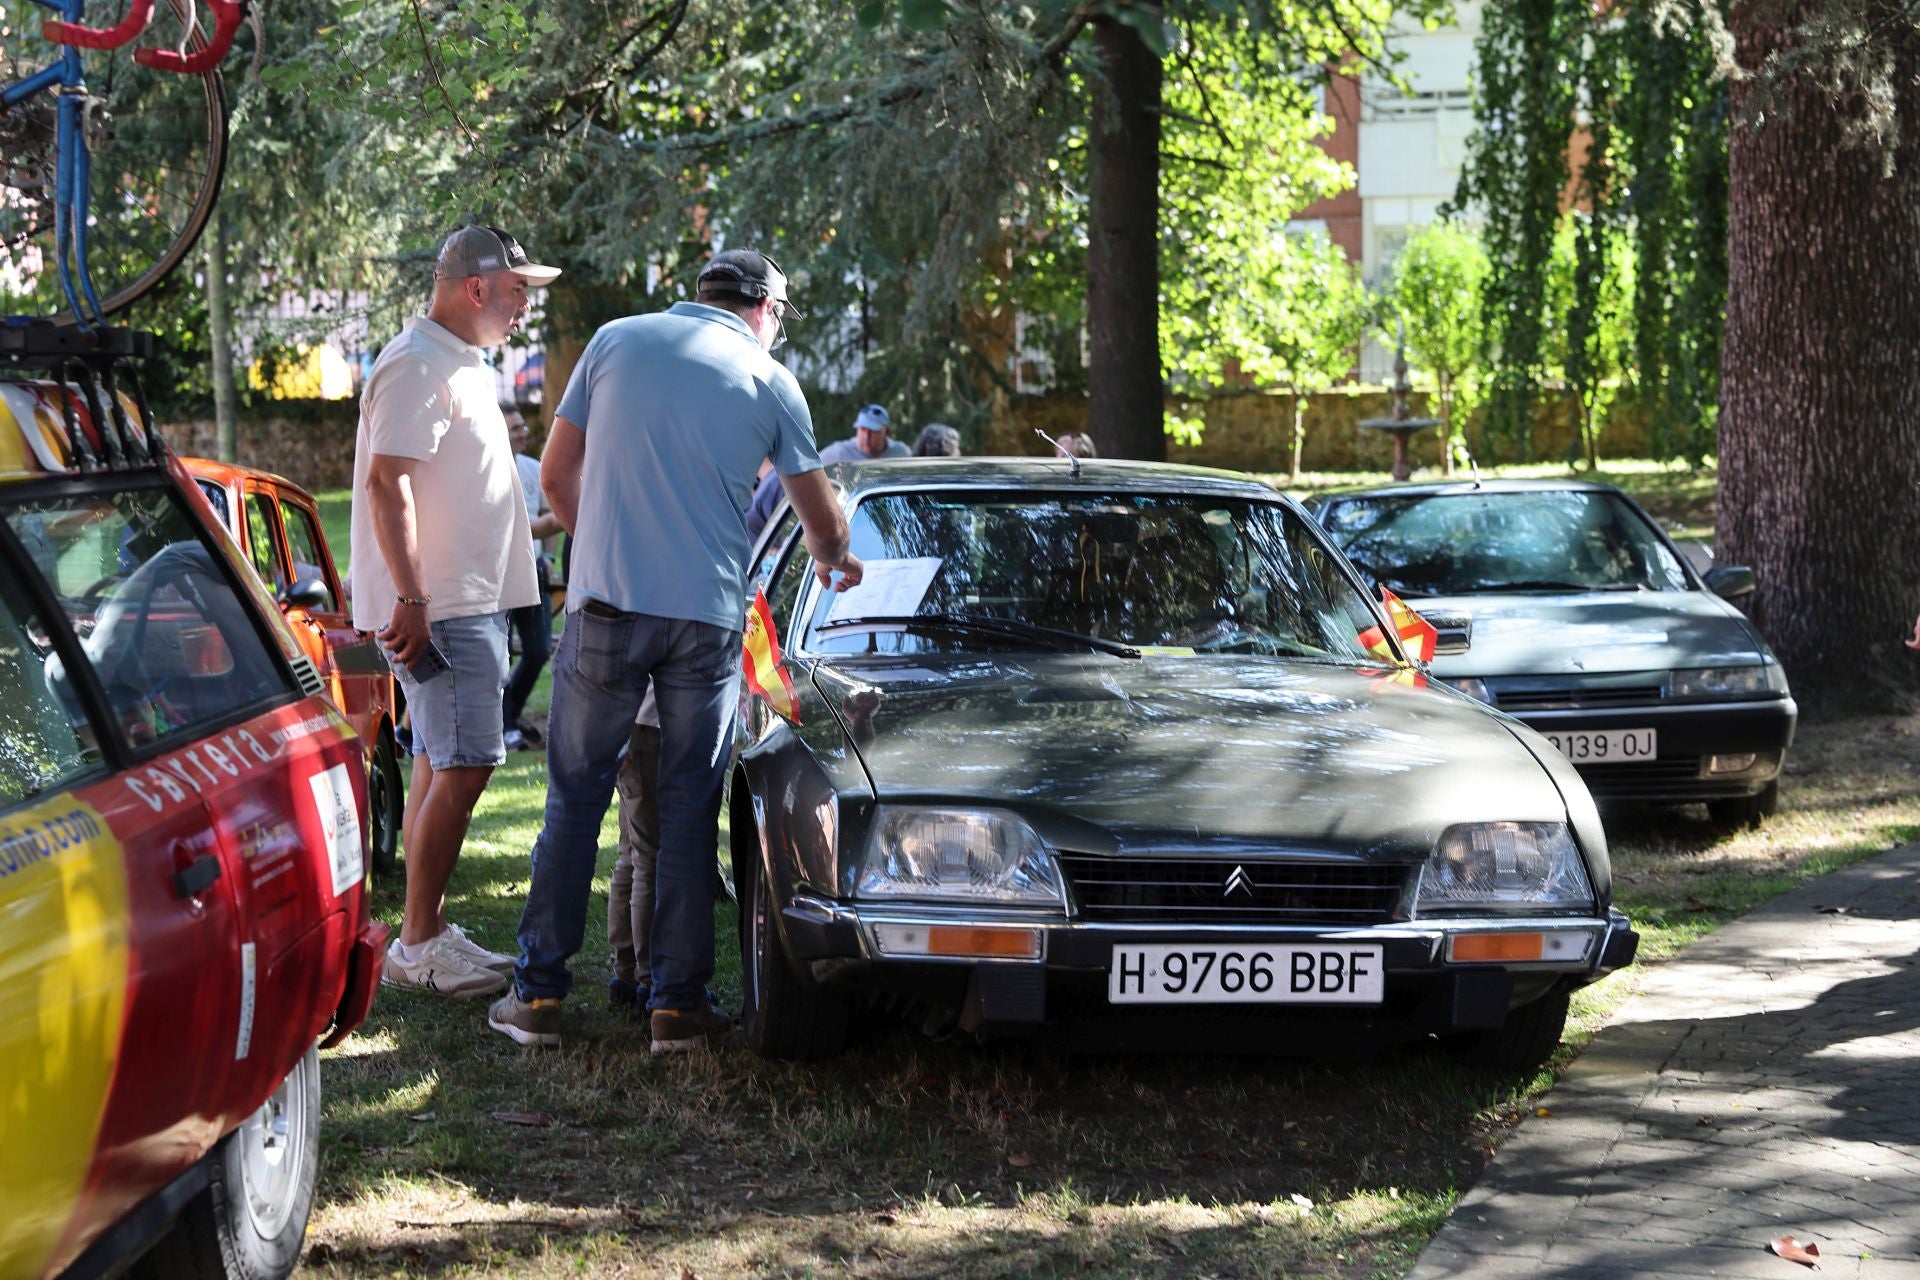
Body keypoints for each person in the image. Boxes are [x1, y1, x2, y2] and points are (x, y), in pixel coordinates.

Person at [488, 247, 863, 1051]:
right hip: (704, 621)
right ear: (762, 308)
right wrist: (835, 559)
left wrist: (608, 551)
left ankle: (539, 998)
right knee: (690, 812)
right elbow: (820, 520)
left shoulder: (616, 340)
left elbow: (557, 477)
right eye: (778, 319)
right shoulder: (771, 381)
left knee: (574, 803)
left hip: (606, 606)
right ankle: (676, 1008)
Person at [352, 224, 559, 999]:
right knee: (468, 762)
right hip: (441, 609)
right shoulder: (415, 365)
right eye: (516, 292)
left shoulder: (456, 361)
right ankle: (417, 942)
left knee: (443, 759)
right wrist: (410, 597)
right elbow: (385, 485)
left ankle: (425, 930)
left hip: (459, 603)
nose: (522, 309)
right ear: (476, 287)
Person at [744, 402, 903, 539]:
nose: (866, 437)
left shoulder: (901, 454)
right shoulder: (838, 453)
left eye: (873, 431)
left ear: (886, 432)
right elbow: (806, 476)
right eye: (862, 430)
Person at [503, 403, 564, 750]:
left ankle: (508, 716)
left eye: (523, 426)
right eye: (515, 428)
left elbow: (548, 515)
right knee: (501, 651)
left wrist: (550, 557)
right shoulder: (487, 467)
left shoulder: (532, 467)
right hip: (499, 573)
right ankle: (507, 722)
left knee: (539, 648)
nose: (523, 432)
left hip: (534, 570)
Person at [607, 686, 660, 1010]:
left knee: (630, 855)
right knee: (647, 859)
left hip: (626, 722)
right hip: (649, 727)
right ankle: (650, 980)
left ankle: (624, 974)